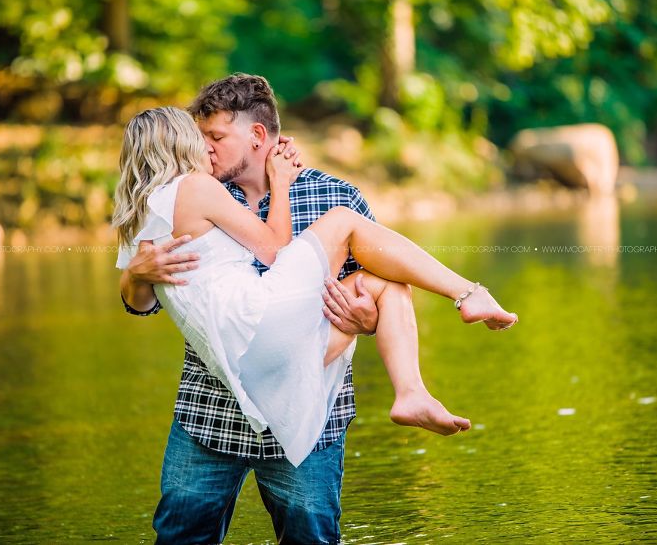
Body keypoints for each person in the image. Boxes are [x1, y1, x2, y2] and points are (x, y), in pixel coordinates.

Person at [116, 91, 517, 542]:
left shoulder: (331, 193)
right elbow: (141, 301)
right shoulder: (199, 185)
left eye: (215, 135)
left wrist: (366, 319)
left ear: (258, 135)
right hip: (215, 411)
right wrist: (136, 274)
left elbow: (373, 282)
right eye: (199, 136)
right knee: (180, 537)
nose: (206, 146)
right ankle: (461, 304)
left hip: (304, 391)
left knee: (311, 537)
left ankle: (415, 389)